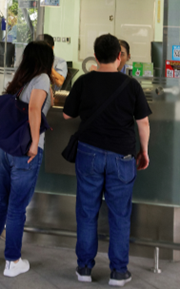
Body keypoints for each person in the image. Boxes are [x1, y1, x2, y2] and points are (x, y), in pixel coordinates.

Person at [63, 34, 151, 286]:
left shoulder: (84, 81)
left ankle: (84, 269)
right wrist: (144, 151)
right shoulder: (131, 85)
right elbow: (143, 122)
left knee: (87, 211)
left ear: (95, 54)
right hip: (122, 157)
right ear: (119, 56)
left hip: (88, 154)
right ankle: (119, 272)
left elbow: (68, 115)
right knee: (120, 215)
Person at [0, 41, 53, 278]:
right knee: (16, 207)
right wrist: (33, 143)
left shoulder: (19, 77)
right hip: (24, 151)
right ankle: (13, 260)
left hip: (5, 149)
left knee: (1, 201)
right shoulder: (41, 78)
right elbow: (34, 109)